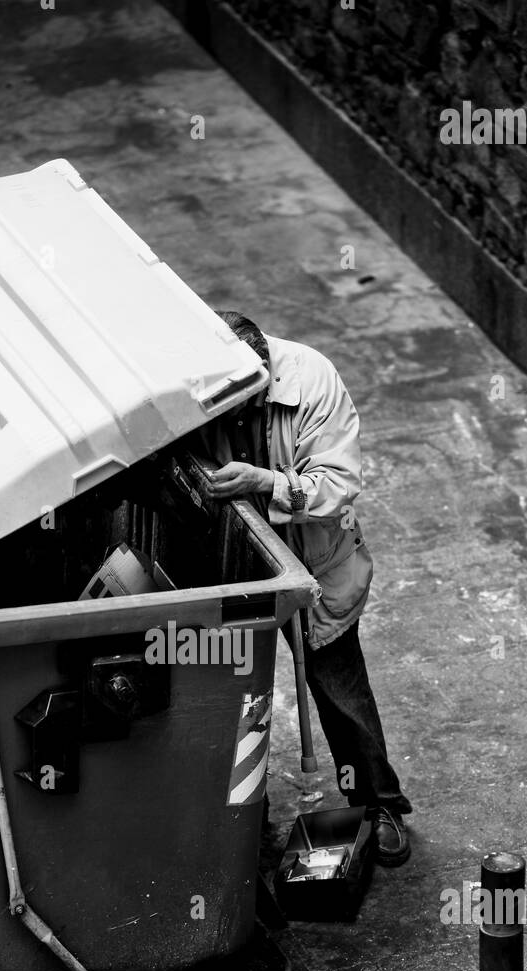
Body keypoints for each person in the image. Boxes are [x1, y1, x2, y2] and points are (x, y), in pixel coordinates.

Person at [204, 311, 412, 866]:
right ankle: (242, 817)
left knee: (340, 690)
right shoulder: (200, 378)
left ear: (263, 369)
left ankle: (378, 804)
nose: (237, 413)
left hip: (316, 567)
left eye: (246, 400)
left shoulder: (313, 379)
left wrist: (265, 482)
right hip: (236, 566)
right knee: (231, 697)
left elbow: (337, 485)